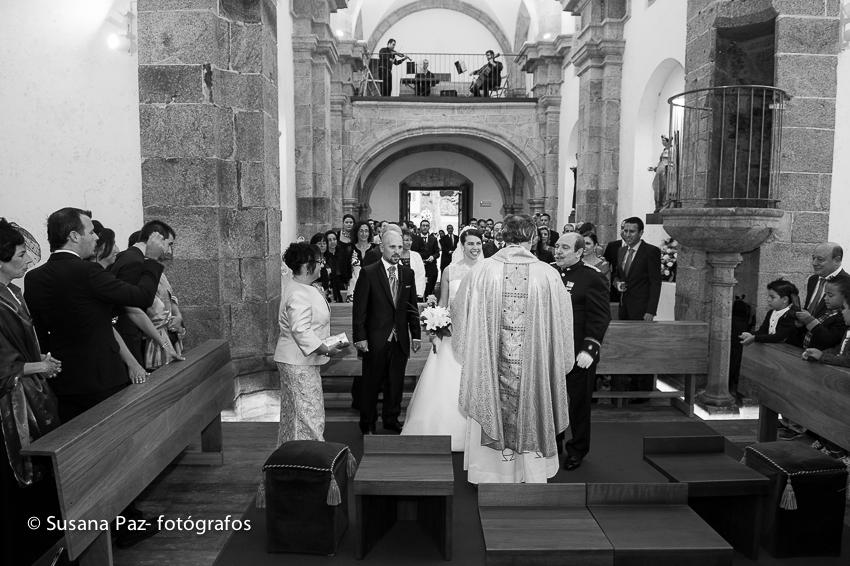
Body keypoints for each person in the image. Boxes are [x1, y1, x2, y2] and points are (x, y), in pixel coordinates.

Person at [453, 214, 574, 483]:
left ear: (501, 237)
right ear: (532, 238)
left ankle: (489, 474)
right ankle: (530, 473)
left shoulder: (481, 271)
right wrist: (560, 359)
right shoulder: (548, 274)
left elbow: (460, 313)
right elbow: (564, 323)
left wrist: (468, 349)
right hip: (534, 372)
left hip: (491, 369)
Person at [24, 208, 165, 422]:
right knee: (113, 441)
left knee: (73, 443)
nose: (96, 237)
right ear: (74, 236)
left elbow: (40, 331)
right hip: (102, 378)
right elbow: (141, 297)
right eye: (90, 232)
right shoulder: (87, 272)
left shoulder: (33, 278)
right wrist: (152, 260)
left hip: (62, 378)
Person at [256, 242, 347, 508]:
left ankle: (291, 468)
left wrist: (327, 344)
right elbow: (300, 329)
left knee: (295, 414)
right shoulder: (297, 292)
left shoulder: (304, 288)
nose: (322, 265)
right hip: (298, 361)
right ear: (307, 265)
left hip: (301, 360)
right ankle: (312, 471)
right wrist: (326, 347)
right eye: (319, 261)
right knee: (308, 415)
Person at [0, 219, 64, 566]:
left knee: (45, 471)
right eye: (22, 254)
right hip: (10, 403)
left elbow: (21, 345)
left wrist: (39, 358)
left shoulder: (13, 292)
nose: (28, 260)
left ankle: (50, 544)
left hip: (33, 391)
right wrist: (38, 366)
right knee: (21, 478)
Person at [401, 228, 483, 450]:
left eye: (478, 243)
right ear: (462, 245)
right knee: (446, 378)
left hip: (477, 333)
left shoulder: (486, 270)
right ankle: (440, 428)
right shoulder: (449, 270)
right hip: (453, 333)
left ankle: (476, 432)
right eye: (470, 243)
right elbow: (444, 303)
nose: (475, 248)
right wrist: (436, 321)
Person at [551, 233, 611, 471]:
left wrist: (590, 348)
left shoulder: (591, 277)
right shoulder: (549, 272)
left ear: (579, 252)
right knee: (552, 402)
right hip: (551, 350)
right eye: (557, 246)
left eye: (565, 247)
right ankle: (553, 446)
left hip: (578, 352)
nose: (558, 251)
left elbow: (600, 316)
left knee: (578, 403)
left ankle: (577, 449)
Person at [352, 231, 421, 434]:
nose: (397, 251)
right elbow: (360, 309)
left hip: (400, 339)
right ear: (382, 248)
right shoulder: (369, 272)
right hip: (375, 339)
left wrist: (415, 333)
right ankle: (368, 423)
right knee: (371, 384)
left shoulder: (407, 274)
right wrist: (360, 337)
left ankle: (391, 419)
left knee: (395, 383)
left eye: (400, 247)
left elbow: (411, 306)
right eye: (392, 247)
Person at [111, 220, 176, 365]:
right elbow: (131, 308)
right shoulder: (134, 260)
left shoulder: (131, 257)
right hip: (129, 339)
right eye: (169, 244)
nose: (169, 251)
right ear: (157, 239)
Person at [803, 280, 850, 367]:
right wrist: (819, 354)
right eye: (825, 294)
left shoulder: (842, 321)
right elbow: (838, 349)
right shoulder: (826, 312)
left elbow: (847, 360)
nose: (825, 298)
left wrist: (822, 356)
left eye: (830, 295)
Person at [740, 279, 800, 346]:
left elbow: (779, 337)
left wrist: (754, 338)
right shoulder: (770, 312)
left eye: (772, 297)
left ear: (785, 299)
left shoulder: (791, 314)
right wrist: (750, 334)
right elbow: (763, 332)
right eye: (768, 296)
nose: (768, 299)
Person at [411, 219, 440, 298]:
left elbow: (437, 253)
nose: (425, 227)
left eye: (427, 226)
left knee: (429, 289)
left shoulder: (433, 239)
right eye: (423, 225)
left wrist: (433, 257)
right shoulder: (415, 239)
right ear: (420, 227)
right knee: (418, 290)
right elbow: (413, 252)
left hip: (431, 267)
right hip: (419, 267)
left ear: (429, 227)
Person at [348, 220, 377, 292]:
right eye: (361, 231)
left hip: (373, 286)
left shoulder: (376, 249)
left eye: (366, 231)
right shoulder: (349, 248)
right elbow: (345, 269)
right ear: (356, 232)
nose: (364, 234)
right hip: (354, 286)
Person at [603, 220, 627, 302]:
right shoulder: (612, 246)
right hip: (614, 288)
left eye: (627, 229)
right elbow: (606, 265)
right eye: (622, 228)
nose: (624, 231)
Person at [400, 229, 426, 301]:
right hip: (399, 294)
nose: (409, 242)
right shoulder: (395, 256)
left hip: (415, 293)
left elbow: (421, 275)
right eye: (406, 240)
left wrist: (418, 293)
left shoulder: (416, 255)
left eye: (410, 240)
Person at [325, 230, 347, 302]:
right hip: (329, 285)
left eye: (334, 239)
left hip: (341, 284)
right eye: (329, 240)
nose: (332, 241)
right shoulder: (324, 256)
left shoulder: (342, 253)